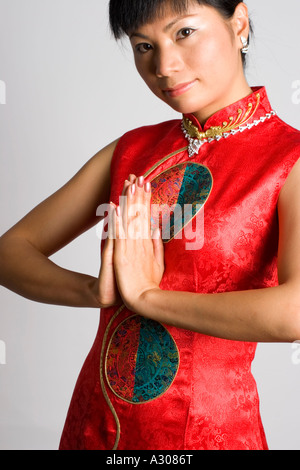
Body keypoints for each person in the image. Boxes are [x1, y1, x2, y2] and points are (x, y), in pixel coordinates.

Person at [0, 0, 300, 451]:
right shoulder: (132, 150)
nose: (163, 65)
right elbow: (11, 251)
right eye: (143, 46)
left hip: (205, 432)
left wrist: (149, 298)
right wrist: (94, 292)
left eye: (184, 33)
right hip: (93, 422)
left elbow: (294, 312)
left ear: (239, 24)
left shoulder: (288, 159)